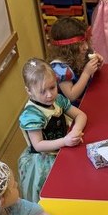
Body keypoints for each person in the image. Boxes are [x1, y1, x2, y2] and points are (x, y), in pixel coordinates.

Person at [18, 58, 87, 202]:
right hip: (45, 160)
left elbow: (81, 115)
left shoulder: (58, 100)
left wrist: (76, 130)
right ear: (29, 91)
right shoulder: (32, 114)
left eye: (52, 87)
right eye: (42, 91)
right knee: (55, 193)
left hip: (64, 147)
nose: (49, 95)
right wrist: (65, 141)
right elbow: (38, 145)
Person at [48, 17, 104, 106]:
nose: (86, 47)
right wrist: (86, 73)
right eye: (81, 44)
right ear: (68, 49)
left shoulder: (78, 54)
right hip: (71, 109)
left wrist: (96, 63)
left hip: (88, 98)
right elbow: (72, 95)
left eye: (86, 41)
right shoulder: (59, 68)